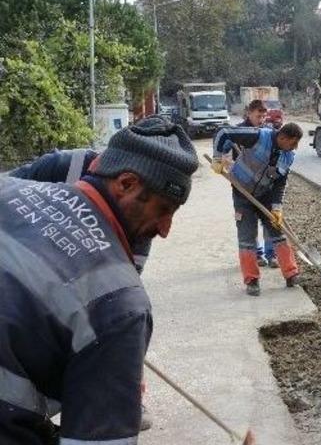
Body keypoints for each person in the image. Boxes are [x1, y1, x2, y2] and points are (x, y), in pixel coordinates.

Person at [0, 122, 209, 444]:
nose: (166, 229)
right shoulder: (119, 306)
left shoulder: (7, 188)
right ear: (125, 183)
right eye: (163, 210)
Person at [212, 123, 303, 296]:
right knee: (247, 237)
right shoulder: (258, 136)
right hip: (241, 192)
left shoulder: (288, 156)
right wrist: (217, 157)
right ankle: (252, 280)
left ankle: (291, 274)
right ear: (282, 138)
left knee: (278, 233)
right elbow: (224, 132)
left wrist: (277, 208)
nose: (294, 148)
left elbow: (280, 183)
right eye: (293, 143)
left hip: (266, 195)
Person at [237, 100, 277, 268]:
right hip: (243, 185)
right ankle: (257, 254)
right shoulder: (238, 131)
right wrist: (224, 160)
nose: (261, 119)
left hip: (264, 184)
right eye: (258, 116)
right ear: (249, 113)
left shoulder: (267, 132)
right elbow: (226, 149)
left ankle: (271, 254)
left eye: (263, 116)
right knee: (248, 221)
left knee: (269, 219)